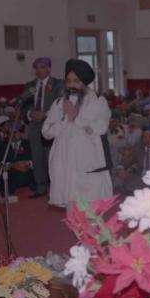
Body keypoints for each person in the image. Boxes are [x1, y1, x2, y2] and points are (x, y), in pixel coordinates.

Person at [42, 59, 113, 208]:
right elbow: (46, 132)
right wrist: (64, 120)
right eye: (68, 81)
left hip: (88, 162)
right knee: (72, 211)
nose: (71, 85)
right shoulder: (58, 103)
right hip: (65, 162)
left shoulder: (99, 102)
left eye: (76, 81)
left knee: (91, 209)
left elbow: (100, 128)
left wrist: (76, 118)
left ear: (85, 83)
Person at [21, 57, 64, 197]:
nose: (38, 70)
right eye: (36, 68)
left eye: (42, 67)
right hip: (34, 126)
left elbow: (61, 105)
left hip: (51, 125)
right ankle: (41, 186)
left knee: (52, 156)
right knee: (37, 156)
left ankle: (57, 186)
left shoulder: (58, 84)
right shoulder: (29, 86)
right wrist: (29, 114)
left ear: (49, 68)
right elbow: (24, 107)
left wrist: (45, 115)